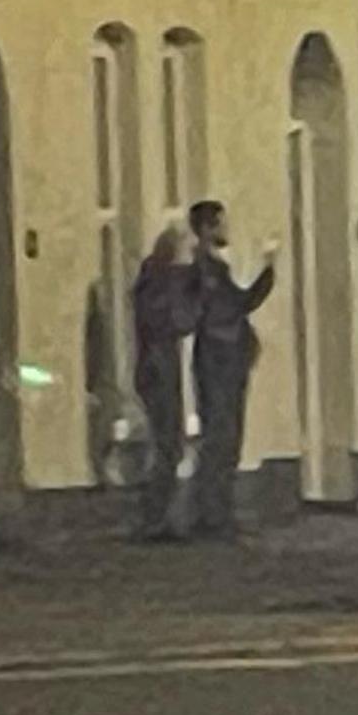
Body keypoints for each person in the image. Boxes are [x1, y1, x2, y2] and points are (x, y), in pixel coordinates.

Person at [182, 200, 278, 540]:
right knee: (221, 438)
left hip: (221, 360)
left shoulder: (209, 269)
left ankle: (214, 514)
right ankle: (213, 516)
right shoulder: (207, 271)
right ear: (208, 228)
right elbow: (236, 305)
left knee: (222, 438)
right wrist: (269, 270)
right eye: (221, 224)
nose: (227, 230)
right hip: (220, 363)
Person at [127, 218, 203, 541]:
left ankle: (157, 515)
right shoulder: (160, 286)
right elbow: (179, 321)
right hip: (160, 369)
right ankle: (154, 517)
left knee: (166, 444)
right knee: (168, 445)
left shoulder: (149, 282)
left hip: (154, 368)